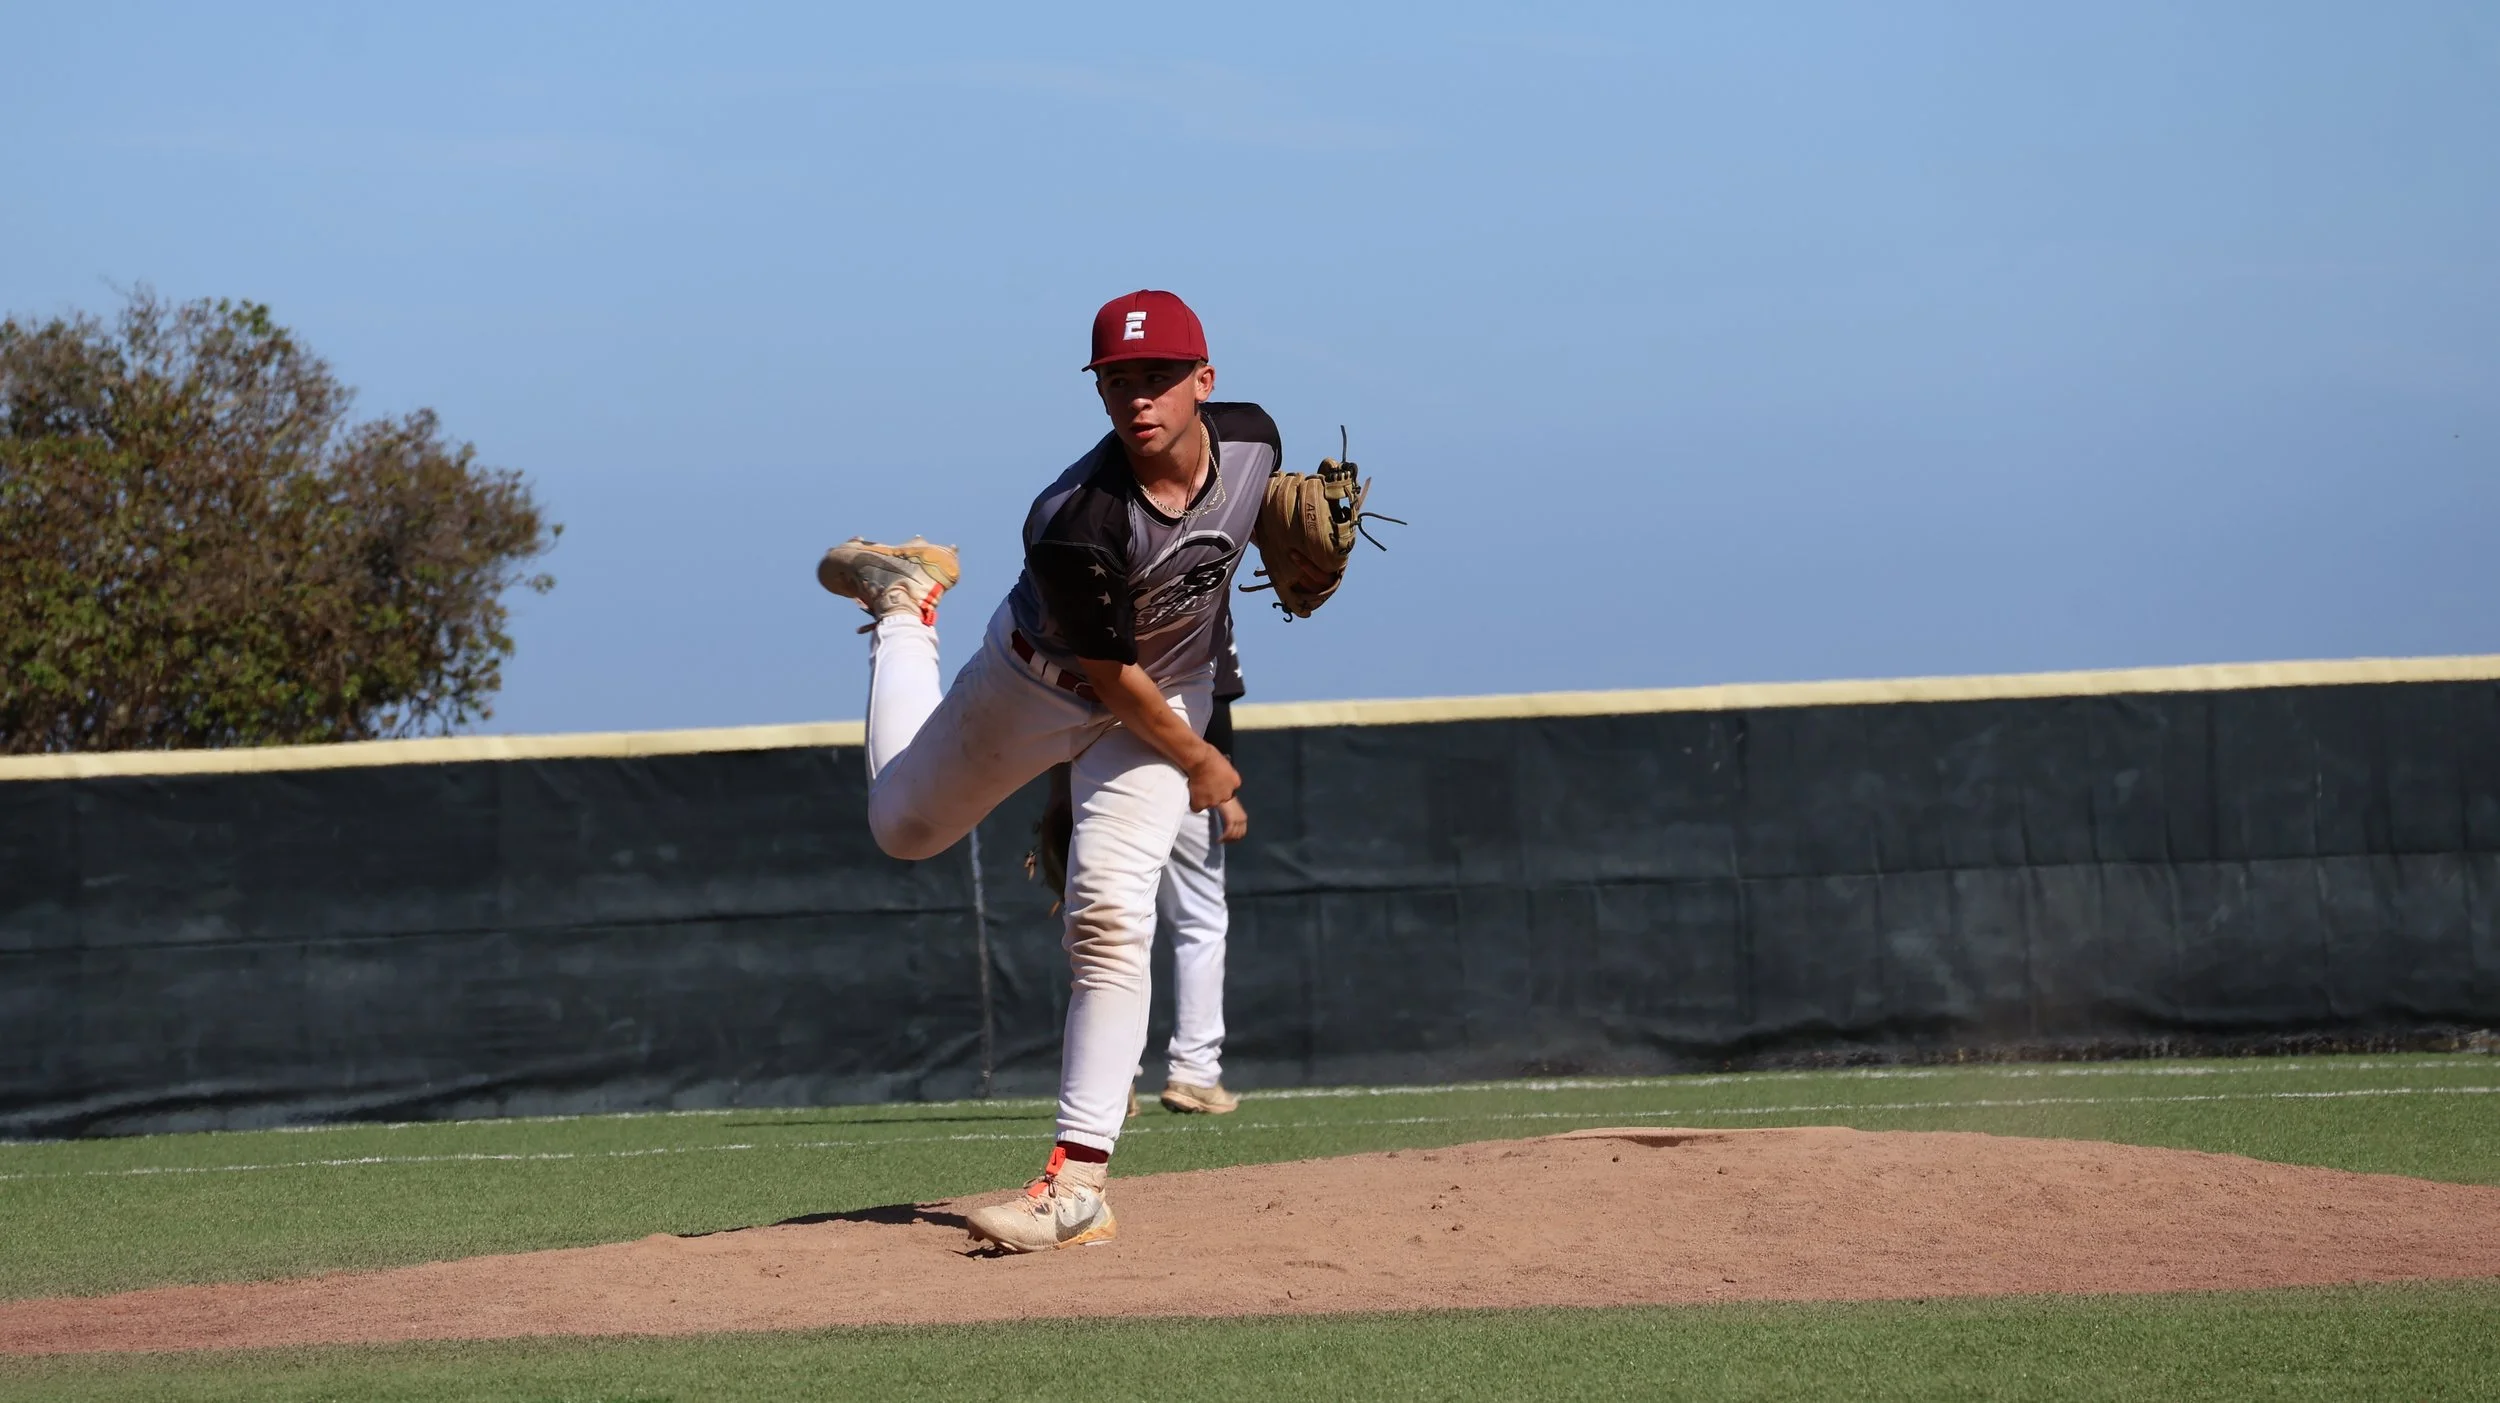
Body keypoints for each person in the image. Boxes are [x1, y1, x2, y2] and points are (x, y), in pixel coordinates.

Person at [816, 290, 1279, 1253]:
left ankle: (1077, 1181)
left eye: (1157, 378)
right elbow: (1113, 678)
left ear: (1206, 380)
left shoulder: (1258, 445)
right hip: (1043, 681)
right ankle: (905, 605)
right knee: (902, 826)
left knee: (1109, 914)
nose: (1138, 398)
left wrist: (1283, 547)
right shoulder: (1075, 518)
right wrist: (1206, 761)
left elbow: (1233, 547)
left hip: (1170, 688)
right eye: (1118, 380)